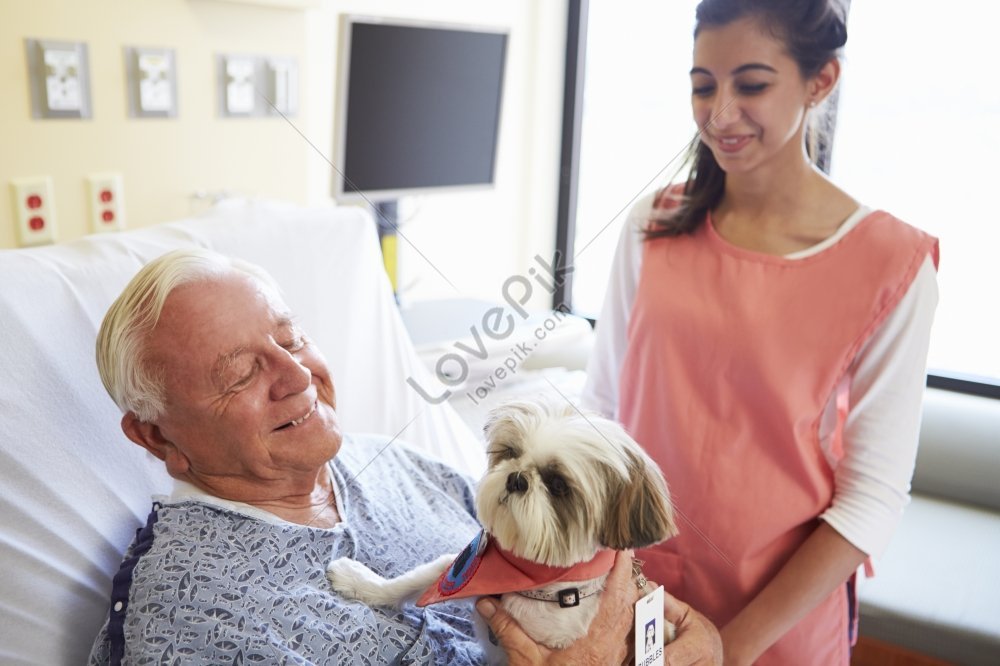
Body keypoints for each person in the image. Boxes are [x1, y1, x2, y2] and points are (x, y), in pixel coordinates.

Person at [88, 248, 721, 665]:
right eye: (241, 373)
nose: (296, 375)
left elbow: (664, 620)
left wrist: (698, 648)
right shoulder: (191, 615)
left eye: (292, 338)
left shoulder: (407, 468)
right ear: (158, 439)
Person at [582, 1, 939, 665]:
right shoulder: (652, 226)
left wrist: (729, 648)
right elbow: (601, 411)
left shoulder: (893, 266)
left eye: (751, 85)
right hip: (635, 598)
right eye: (702, 85)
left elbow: (872, 498)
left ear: (820, 80)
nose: (720, 114)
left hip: (777, 627)